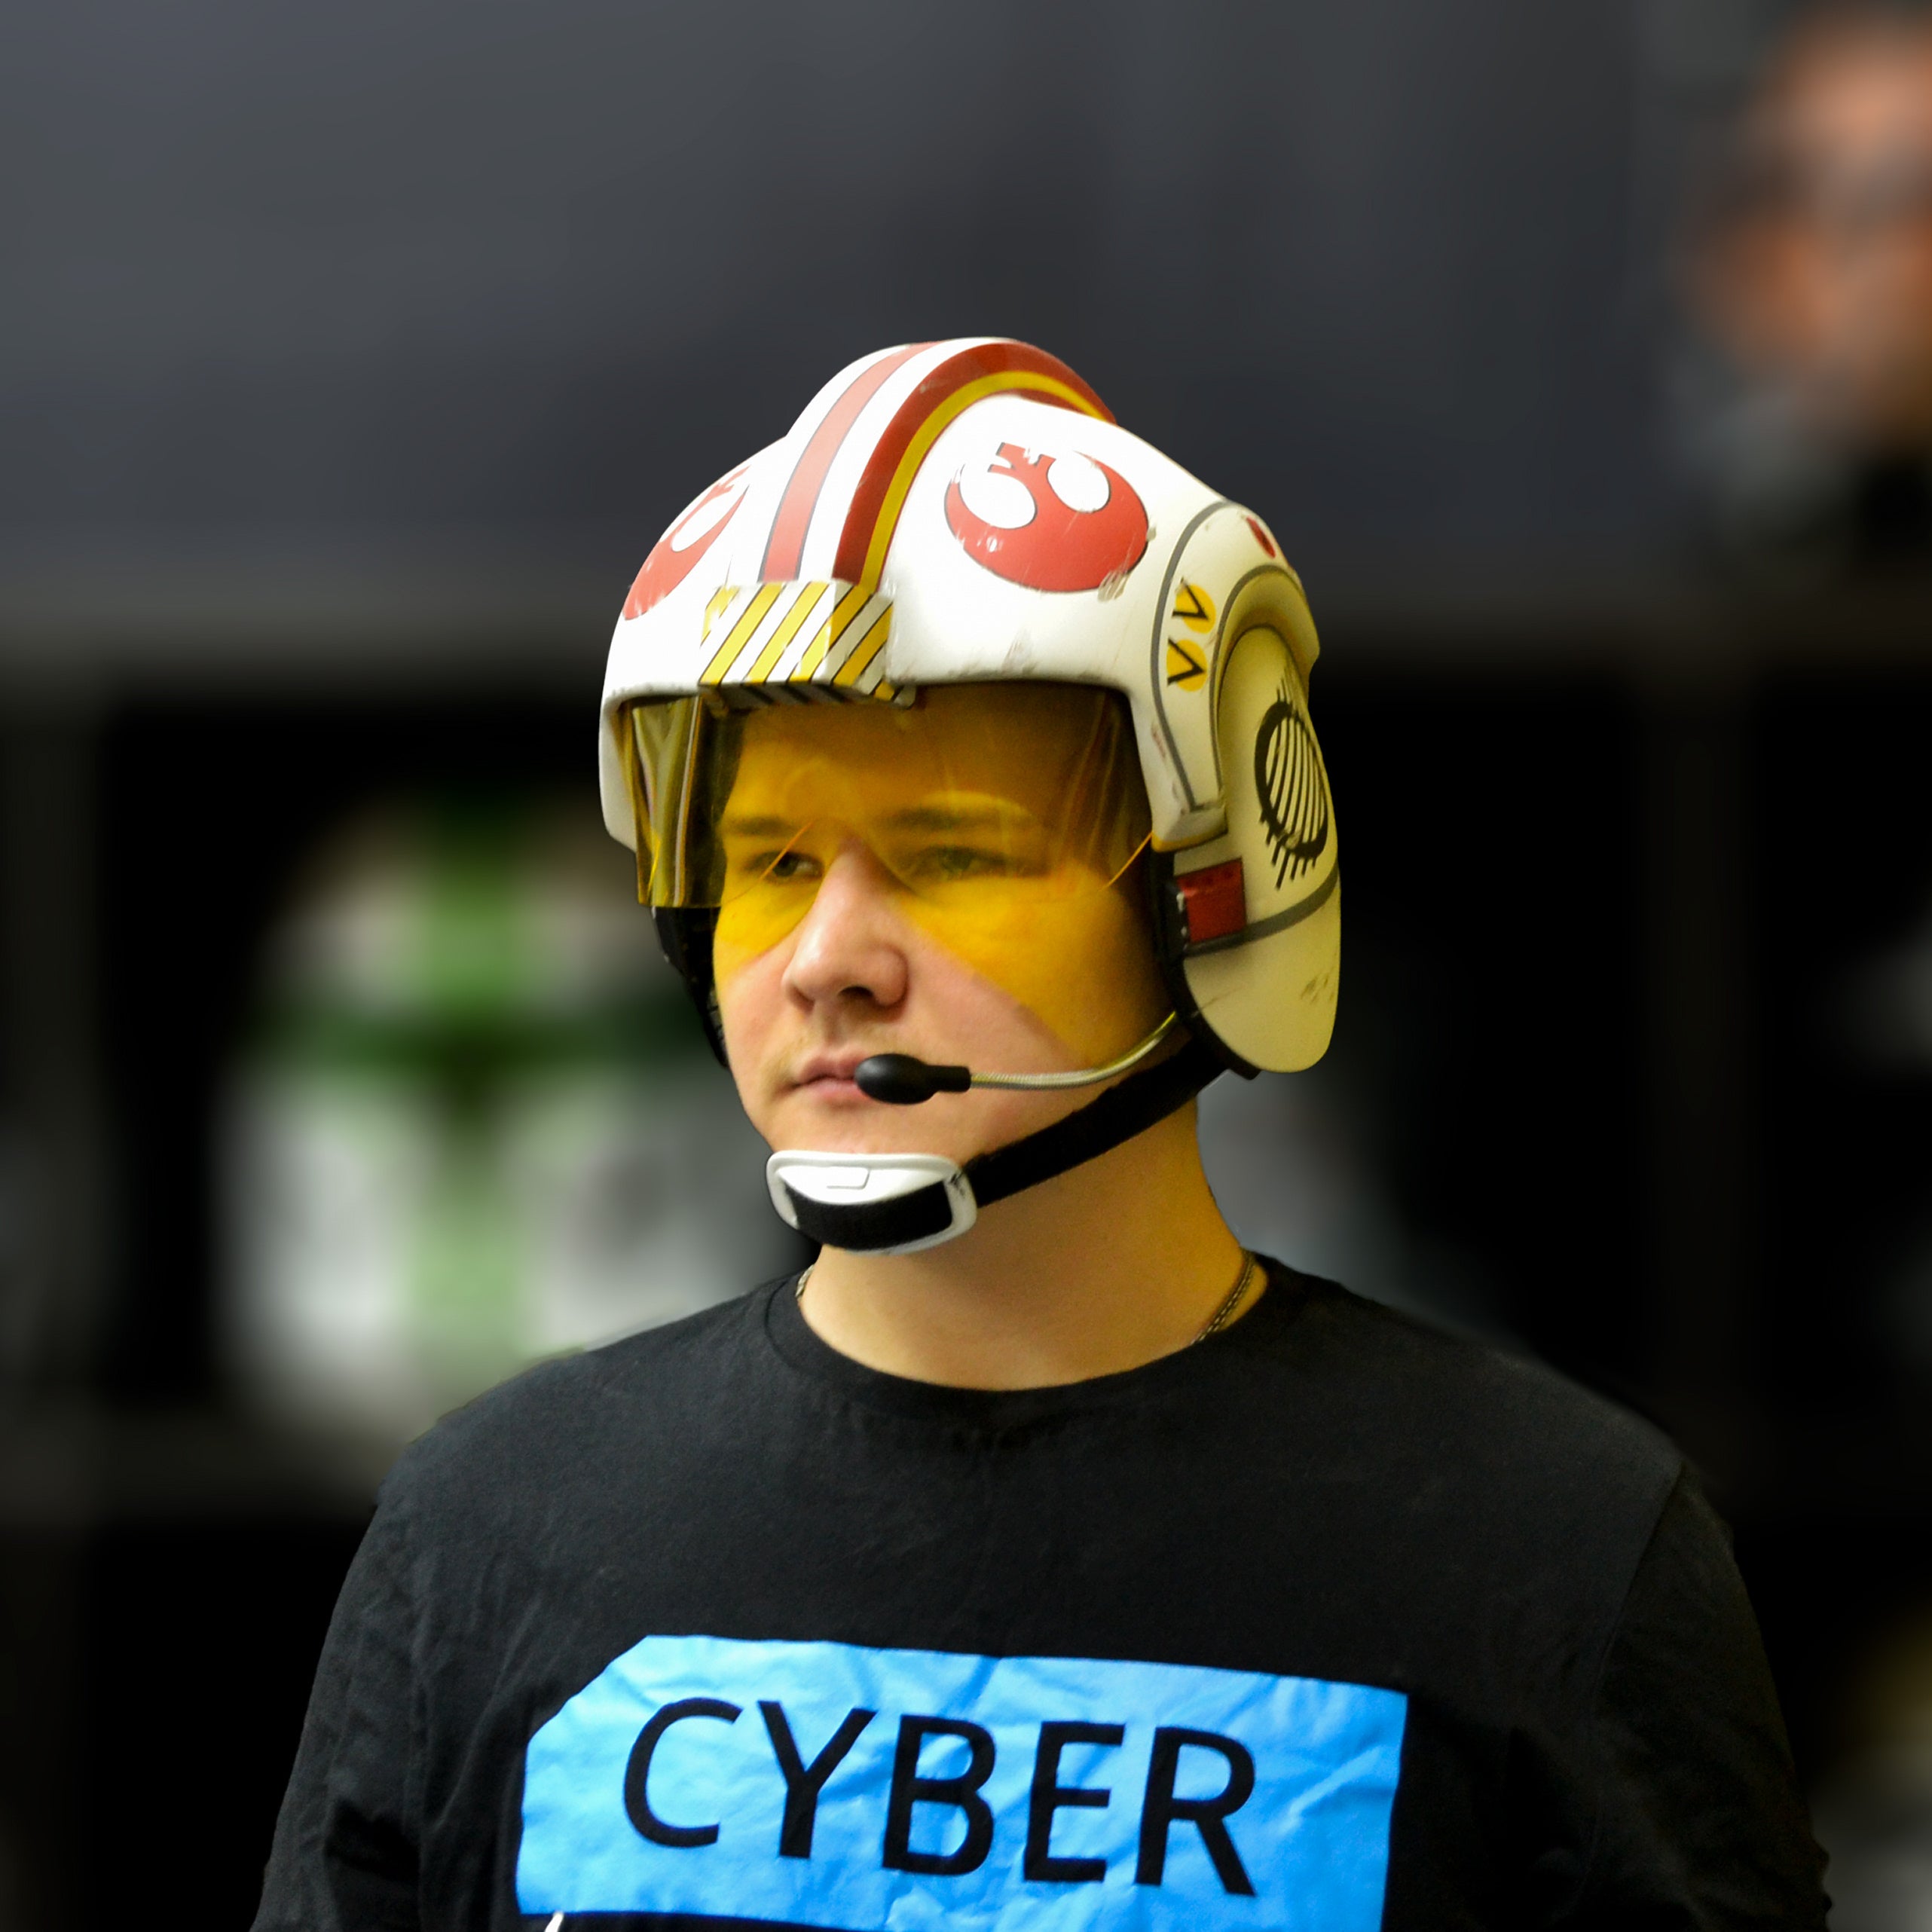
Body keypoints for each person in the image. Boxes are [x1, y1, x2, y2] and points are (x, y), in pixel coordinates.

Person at [255, 338, 1828, 1930]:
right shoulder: (492, 1525)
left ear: (1216, 888)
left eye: (952, 856)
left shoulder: (1553, 1549)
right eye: (773, 862)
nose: (827, 961)